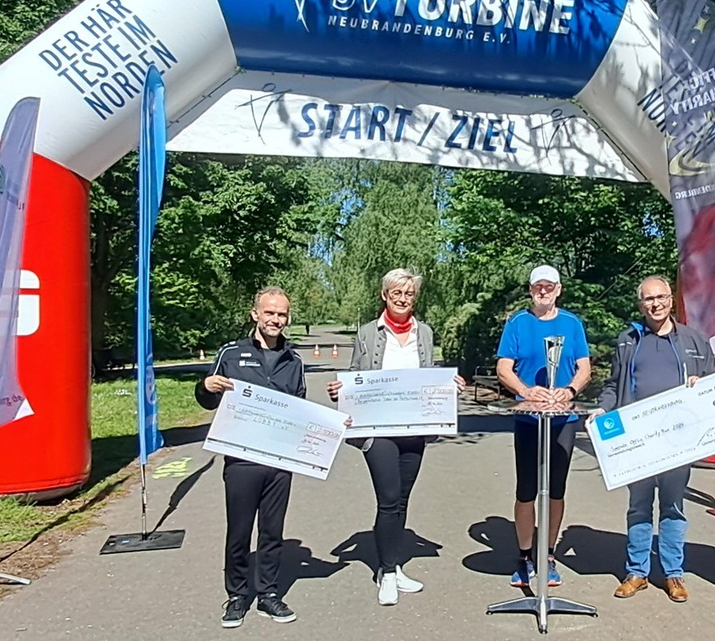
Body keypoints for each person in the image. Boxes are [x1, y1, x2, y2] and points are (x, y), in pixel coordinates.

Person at [325, 269, 464, 606]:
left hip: (414, 429)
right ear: (384, 295)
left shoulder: (425, 333)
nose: (403, 299)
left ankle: (394, 563)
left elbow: (429, 375)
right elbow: (356, 375)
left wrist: (450, 387)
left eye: (409, 294)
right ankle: (386, 572)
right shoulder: (369, 333)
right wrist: (339, 391)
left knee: (401, 499)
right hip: (378, 431)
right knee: (388, 499)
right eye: (396, 293)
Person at [594, 276, 715, 603]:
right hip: (639, 441)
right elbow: (612, 385)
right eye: (649, 299)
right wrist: (602, 410)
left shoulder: (693, 340)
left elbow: (714, 383)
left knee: (673, 508)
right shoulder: (628, 341)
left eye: (661, 297)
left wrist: (700, 382)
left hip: (679, 440)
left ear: (671, 300)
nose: (656, 304)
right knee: (638, 507)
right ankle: (637, 572)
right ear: (641, 305)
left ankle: (673, 574)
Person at [195, 287, 305, 629]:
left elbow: (300, 409)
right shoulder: (231, 353)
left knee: (273, 531)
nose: (276, 320)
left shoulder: (294, 360)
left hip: (279, 461)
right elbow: (207, 400)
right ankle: (238, 595)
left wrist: (331, 426)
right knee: (239, 531)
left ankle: (269, 594)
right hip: (241, 460)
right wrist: (205, 387)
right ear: (255, 314)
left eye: (282, 314)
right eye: (270, 313)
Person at [496, 265, 591, 589]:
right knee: (527, 490)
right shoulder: (518, 323)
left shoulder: (572, 324)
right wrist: (525, 390)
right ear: (531, 290)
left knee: (555, 490)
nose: (543, 291)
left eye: (549, 286)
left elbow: (584, 368)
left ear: (558, 289)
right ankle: (524, 556)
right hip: (528, 418)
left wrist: (570, 391)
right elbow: (504, 368)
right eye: (538, 287)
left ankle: (548, 555)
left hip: (563, 419)